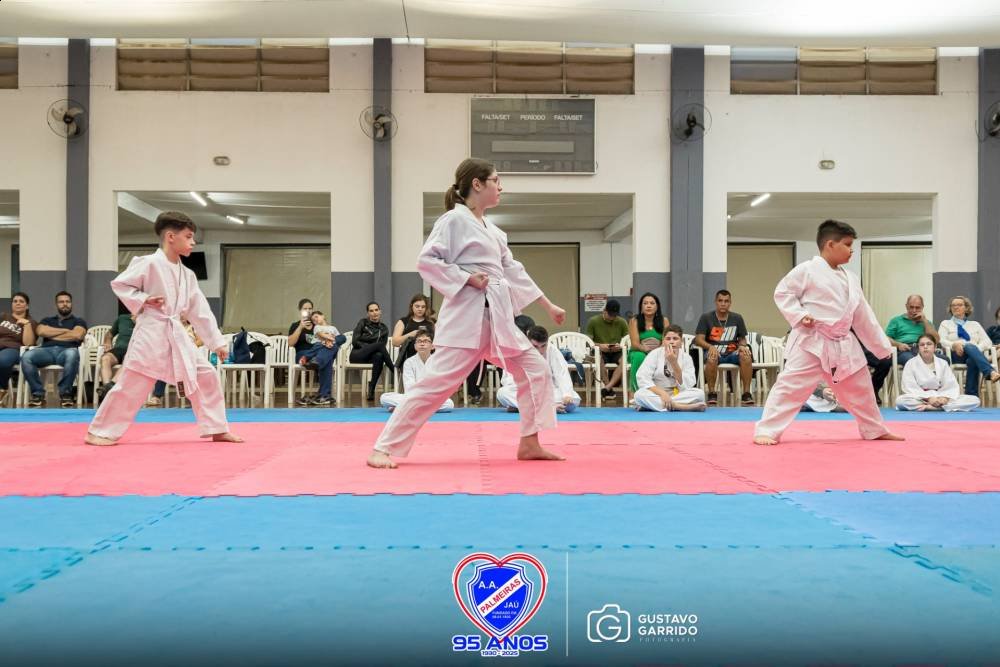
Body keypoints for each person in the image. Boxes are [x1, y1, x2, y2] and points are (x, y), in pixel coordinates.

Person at [367, 158, 566, 468]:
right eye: (496, 180)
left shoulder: (494, 231)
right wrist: (466, 278)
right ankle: (382, 448)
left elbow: (514, 270)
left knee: (535, 370)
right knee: (434, 387)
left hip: (498, 320)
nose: (500, 187)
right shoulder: (453, 221)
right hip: (467, 319)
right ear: (477, 184)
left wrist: (547, 305)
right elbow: (427, 261)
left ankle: (530, 442)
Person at [84, 211, 242, 446]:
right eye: (188, 237)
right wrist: (144, 299)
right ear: (170, 237)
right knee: (133, 383)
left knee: (206, 374)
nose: (193, 242)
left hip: (175, 332)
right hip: (151, 331)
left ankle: (217, 428)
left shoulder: (187, 275)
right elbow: (120, 284)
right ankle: (100, 432)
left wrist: (216, 342)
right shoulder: (148, 263)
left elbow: (199, 310)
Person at [753, 220, 904, 446]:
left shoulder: (851, 278)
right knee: (790, 387)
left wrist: (881, 347)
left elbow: (863, 315)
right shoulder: (806, 270)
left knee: (861, 388)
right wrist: (799, 315)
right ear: (830, 244)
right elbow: (783, 293)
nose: (852, 250)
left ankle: (874, 429)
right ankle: (767, 430)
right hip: (812, 340)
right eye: (847, 244)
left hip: (843, 342)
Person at [21, 291, 87, 408]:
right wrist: (67, 331)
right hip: (46, 351)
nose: (65, 304)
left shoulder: (78, 321)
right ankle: (38, 394)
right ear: (56, 304)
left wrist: (51, 334)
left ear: (71, 304)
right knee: (26, 356)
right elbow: (41, 331)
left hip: (66, 351)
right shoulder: (47, 320)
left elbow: (77, 335)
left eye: (67, 301)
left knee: (73, 354)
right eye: (61, 302)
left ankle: (65, 393)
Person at [497, 325, 581, 414]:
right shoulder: (518, 351)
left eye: (543, 346)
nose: (540, 351)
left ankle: (523, 407)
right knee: (502, 393)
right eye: (535, 346)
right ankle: (549, 407)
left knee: (574, 398)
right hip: (526, 391)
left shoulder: (552, 350)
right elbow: (509, 379)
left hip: (547, 391)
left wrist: (567, 394)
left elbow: (561, 373)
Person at [692, 289, 754, 406]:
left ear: (730, 303)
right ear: (716, 302)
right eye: (720, 301)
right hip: (715, 352)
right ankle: (712, 393)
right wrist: (710, 347)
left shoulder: (737, 318)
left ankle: (746, 393)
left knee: (746, 356)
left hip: (732, 353)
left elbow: (742, 338)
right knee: (711, 357)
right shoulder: (706, 317)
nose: (723, 303)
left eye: (726, 301)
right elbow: (699, 339)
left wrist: (742, 346)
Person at [896, 334, 980, 412]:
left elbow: (951, 385)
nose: (925, 347)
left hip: (941, 396)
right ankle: (941, 407)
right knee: (900, 401)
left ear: (935, 347)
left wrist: (944, 398)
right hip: (921, 398)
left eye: (929, 344)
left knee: (974, 400)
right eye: (922, 345)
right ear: (918, 348)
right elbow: (910, 387)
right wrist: (928, 398)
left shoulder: (943, 363)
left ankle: (934, 407)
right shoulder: (911, 363)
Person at [633, 325, 706, 412]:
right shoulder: (654, 354)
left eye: (675, 339)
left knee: (700, 394)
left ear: (681, 341)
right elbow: (643, 378)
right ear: (663, 341)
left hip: (678, 394)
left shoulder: (686, 358)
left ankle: (658, 405)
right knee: (639, 395)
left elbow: (688, 383)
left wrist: (674, 362)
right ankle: (679, 406)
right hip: (657, 393)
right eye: (668, 339)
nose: (671, 342)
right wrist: (662, 393)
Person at [937, 295, 1000, 397]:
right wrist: (953, 344)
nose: (956, 307)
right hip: (956, 355)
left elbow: (987, 342)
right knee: (969, 347)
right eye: (953, 305)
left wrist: (975, 350)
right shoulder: (945, 324)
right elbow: (940, 340)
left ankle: (971, 396)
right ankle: (989, 372)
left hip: (972, 356)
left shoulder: (975, 324)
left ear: (966, 308)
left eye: (959, 305)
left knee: (972, 358)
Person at [380, 330, 453, 412]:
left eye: (426, 341)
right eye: (419, 341)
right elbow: (409, 387)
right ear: (415, 346)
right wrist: (420, 396)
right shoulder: (409, 362)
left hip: (430, 397)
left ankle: (408, 408)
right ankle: (421, 408)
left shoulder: (438, 363)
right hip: (414, 397)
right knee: (384, 398)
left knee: (449, 404)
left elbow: (440, 386)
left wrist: (428, 395)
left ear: (432, 346)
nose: (422, 344)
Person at [295, 311, 345, 406]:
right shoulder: (317, 327)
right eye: (313, 320)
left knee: (341, 338)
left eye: (316, 317)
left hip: (328, 349)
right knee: (326, 358)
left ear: (323, 316)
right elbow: (320, 335)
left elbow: (339, 338)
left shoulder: (333, 328)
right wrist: (328, 340)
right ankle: (324, 395)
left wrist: (331, 341)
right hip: (320, 350)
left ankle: (316, 361)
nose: (315, 320)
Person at [350, 302, 394, 402]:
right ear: (368, 313)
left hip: (372, 357)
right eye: (371, 311)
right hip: (357, 354)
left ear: (380, 311)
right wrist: (370, 347)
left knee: (379, 356)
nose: (374, 313)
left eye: (376, 310)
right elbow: (355, 341)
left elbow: (381, 349)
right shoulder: (363, 323)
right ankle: (394, 370)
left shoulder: (384, 328)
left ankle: (371, 388)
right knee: (379, 346)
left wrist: (373, 349)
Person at [585, 299, 629, 398]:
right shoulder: (593, 321)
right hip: (600, 351)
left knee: (624, 360)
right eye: (610, 315)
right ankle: (608, 387)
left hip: (616, 351)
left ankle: (607, 388)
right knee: (598, 359)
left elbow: (627, 340)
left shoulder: (622, 322)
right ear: (604, 311)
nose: (612, 317)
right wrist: (600, 345)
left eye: (615, 315)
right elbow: (588, 342)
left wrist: (620, 345)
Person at [627, 292, 669, 392]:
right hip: (639, 351)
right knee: (639, 357)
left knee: (667, 357)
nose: (648, 306)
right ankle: (635, 392)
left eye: (652, 303)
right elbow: (635, 344)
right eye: (645, 303)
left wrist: (656, 353)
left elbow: (666, 341)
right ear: (641, 307)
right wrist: (647, 351)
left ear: (657, 307)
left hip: (659, 352)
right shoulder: (634, 321)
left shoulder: (664, 320)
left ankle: (661, 391)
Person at [0, 292, 36, 406]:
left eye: (21, 301)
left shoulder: (31, 322)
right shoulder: (3, 317)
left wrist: (26, 324)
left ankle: (2, 388)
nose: (18, 303)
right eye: (15, 301)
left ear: (27, 306)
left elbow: (28, 343)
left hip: (13, 349)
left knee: (3, 361)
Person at [96, 302, 136, 403]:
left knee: (128, 359)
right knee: (105, 358)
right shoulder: (122, 318)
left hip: (135, 351)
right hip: (119, 349)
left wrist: (139, 322)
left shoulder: (148, 320)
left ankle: (109, 387)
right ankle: (107, 387)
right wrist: (107, 341)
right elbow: (109, 334)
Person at [885, 295, 940, 366]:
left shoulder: (927, 323)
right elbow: (886, 338)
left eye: (917, 308)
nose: (914, 310)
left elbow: (936, 340)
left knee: (944, 359)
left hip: (923, 349)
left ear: (922, 307)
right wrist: (898, 345)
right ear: (906, 306)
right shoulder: (896, 321)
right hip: (905, 351)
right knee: (913, 361)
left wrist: (924, 321)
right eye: (911, 307)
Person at [391, 293, 436, 371]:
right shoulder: (404, 322)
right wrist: (410, 334)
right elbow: (395, 342)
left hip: (429, 359)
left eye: (423, 307)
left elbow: (438, 341)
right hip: (409, 357)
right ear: (412, 306)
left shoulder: (431, 323)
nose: (420, 309)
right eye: (417, 306)